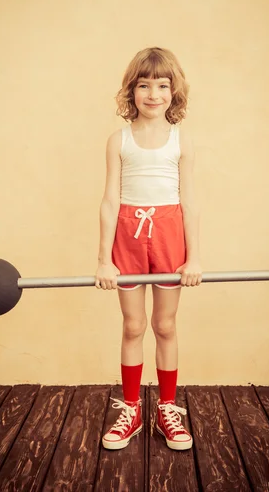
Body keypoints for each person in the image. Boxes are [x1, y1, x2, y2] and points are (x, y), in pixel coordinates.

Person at [95, 47, 202, 451]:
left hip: (170, 234)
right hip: (128, 235)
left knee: (165, 325)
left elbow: (189, 203)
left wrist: (193, 257)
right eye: (144, 85)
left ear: (174, 91)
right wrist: (104, 259)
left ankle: (168, 407)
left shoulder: (182, 140)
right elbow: (108, 202)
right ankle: (131, 408)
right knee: (134, 326)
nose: (153, 93)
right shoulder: (118, 140)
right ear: (132, 90)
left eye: (161, 85)